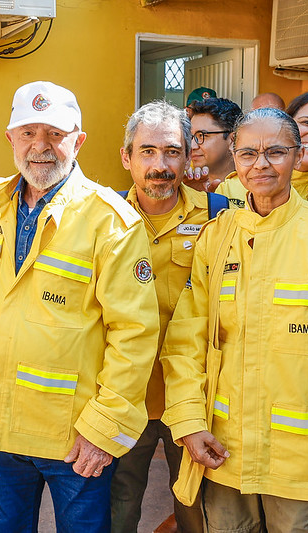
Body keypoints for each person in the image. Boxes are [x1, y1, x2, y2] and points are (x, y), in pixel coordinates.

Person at [0, 81, 159, 532]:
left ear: (79, 141)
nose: (41, 146)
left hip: (74, 436)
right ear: (10, 139)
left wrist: (104, 428)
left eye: (55, 134)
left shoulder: (111, 221)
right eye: (28, 133)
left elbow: (135, 335)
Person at [161, 107, 308, 532]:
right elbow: (186, 343)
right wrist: (188, 423)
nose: (260, 164)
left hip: (303, 467)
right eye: (248, 153)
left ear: (297, 156)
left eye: (275, 152)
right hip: (225, 456)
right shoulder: (216, 237)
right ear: (234, 159)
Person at [110, 100, 214, 533]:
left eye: (172, 152)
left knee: (197, 513)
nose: (160, 165)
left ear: (189, 157)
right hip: (123, 396)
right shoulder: (104, 218)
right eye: (147, 151)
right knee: (118, 512)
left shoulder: (218, 214)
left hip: (194, 399)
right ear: (126, 157)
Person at [185, 98, 242, 199]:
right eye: (191, 136)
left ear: (233, 140)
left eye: (202, 135)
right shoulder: (183, 179)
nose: (192, 146)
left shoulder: (253, 182)